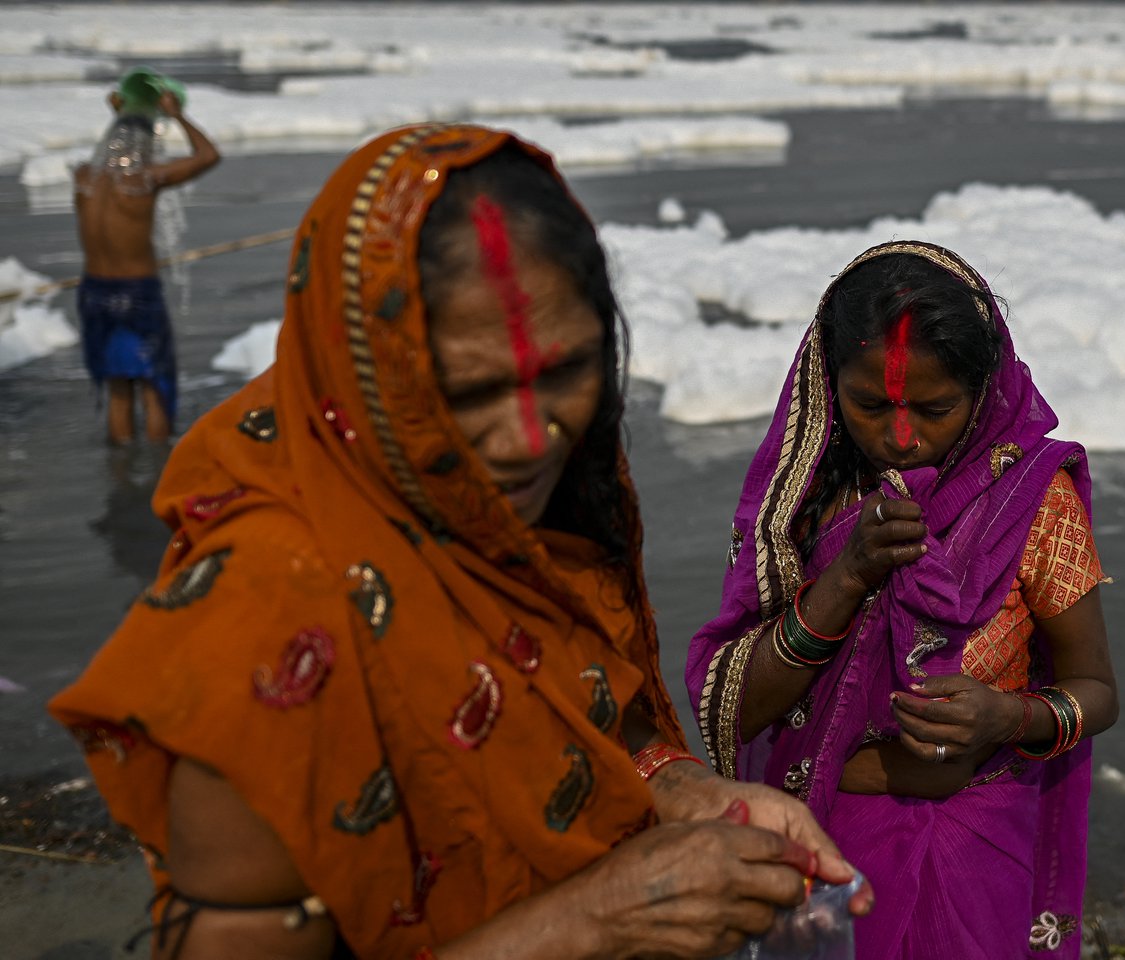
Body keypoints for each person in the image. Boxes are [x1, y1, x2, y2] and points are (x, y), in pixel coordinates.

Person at [49, 125, 870, 958]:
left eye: (566, 372)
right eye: (467, 390)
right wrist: (595, 919)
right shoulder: (266, 619)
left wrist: (686, 789)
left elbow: (590, 720)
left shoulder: (514, 504)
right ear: (365, 372)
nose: (527, 436)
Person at [686, 241, 1120, 959]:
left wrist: (1006, 716)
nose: (902, 436)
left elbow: (1097, 690)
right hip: (821, 843)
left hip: (974, 843)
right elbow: (731, 707)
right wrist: (848, 577)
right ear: (830, 387)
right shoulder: (801, 507)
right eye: (869, 406)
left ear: (983, 390)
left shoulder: (1036, 498)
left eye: (936, 407)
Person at [74, 87, 220, 444]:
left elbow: (117, 151)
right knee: (154, 385)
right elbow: (208, 155)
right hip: (136, 294)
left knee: (118, 390)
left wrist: (122, 117)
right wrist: (177, 116)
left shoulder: (84, 179)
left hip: (94, 294)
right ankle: (158, 472)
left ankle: (121, 475)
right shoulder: (145, 179)